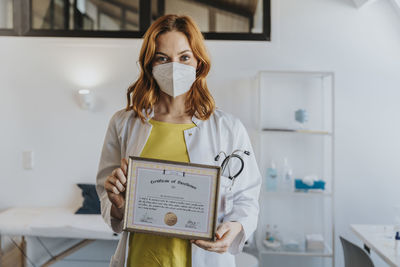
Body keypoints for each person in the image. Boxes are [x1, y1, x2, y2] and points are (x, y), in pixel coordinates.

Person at [96, 14, 261, 267]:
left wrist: (236, 227)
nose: (174, 67)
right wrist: (116, 203)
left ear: (198, 62)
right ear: (150, 64)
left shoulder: (228, 128)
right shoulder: (124, 123)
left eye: (184, 57)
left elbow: (247, 198)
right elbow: (108, 199)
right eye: (163, 58)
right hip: (140, 259)